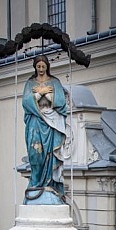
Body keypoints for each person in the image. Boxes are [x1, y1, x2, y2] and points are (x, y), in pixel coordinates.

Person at [22, 54, 70, 204]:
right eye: (38, 66)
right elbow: (26, 101)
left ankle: (49, 184)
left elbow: (61, 102)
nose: (41, 69)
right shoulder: (30, 83)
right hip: (36, 121)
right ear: (35, 67)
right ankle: (35, 183)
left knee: (50, 155)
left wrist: (49, 96)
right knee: (35, 154)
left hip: (51, 122)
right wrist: (40, 93)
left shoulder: (55, 82)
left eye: (43, 66)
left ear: (47, 66)